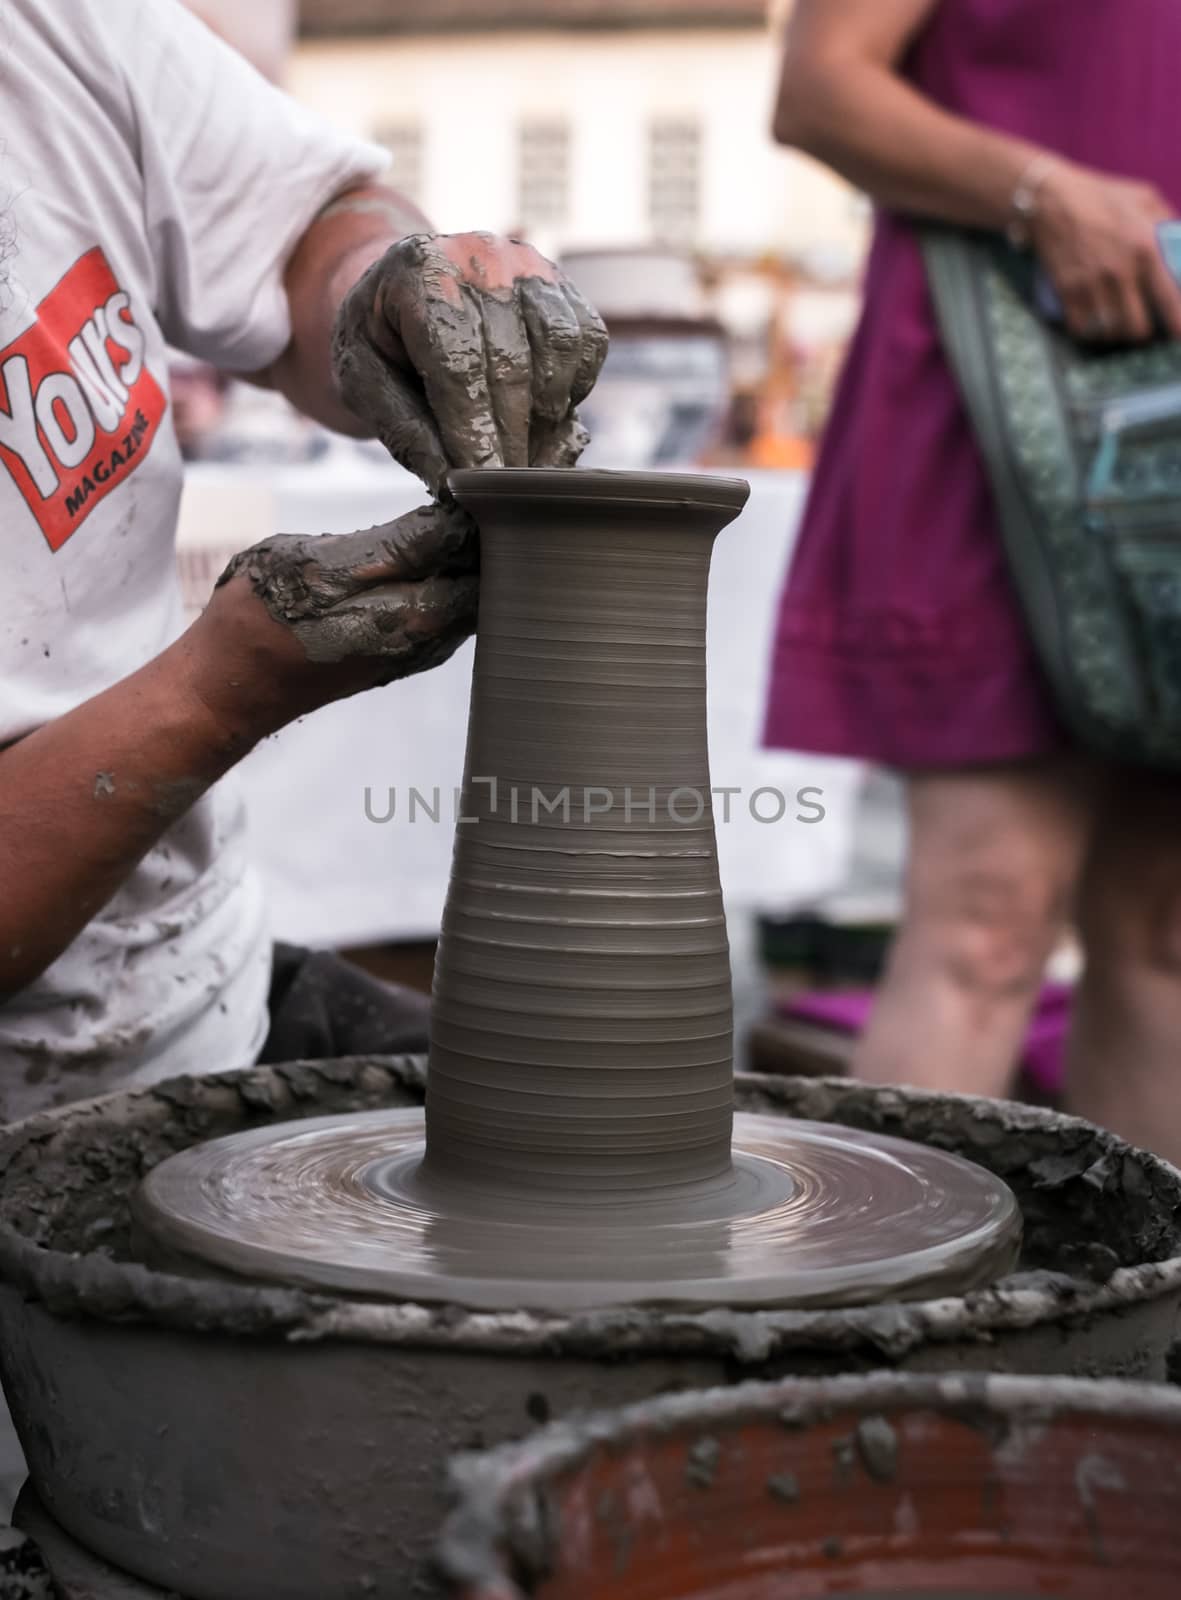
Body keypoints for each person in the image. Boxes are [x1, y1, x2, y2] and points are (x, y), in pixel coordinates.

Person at [0, 0, 607, 1122]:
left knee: (602, 1128)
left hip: (199, 986)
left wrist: (375, 288)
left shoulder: (46, 25)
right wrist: (217, 691)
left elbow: (305, 219)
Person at [763, 0, 1181, 1160]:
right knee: (984, 918)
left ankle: (1141, 1331)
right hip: (998, 404)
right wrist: (1042, 192)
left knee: (1163, 930)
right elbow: (817, 86)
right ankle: (884, 1334)